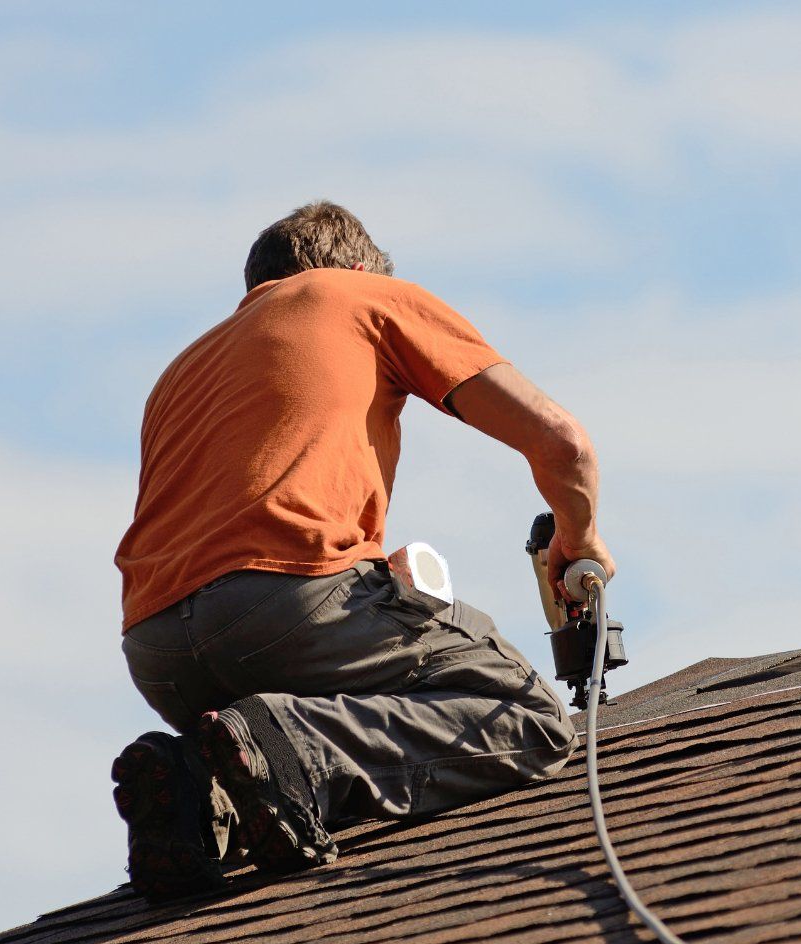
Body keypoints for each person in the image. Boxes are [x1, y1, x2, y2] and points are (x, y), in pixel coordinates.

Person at [109, 201, 615, 901]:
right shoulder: (360, 296)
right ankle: (300, 750)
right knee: (525, 716)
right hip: (287, 607)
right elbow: (564, 444)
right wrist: (578, 536)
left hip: (158, 650)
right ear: (354, 267)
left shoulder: (182, 370)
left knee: (260, 748)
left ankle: (197, 796)